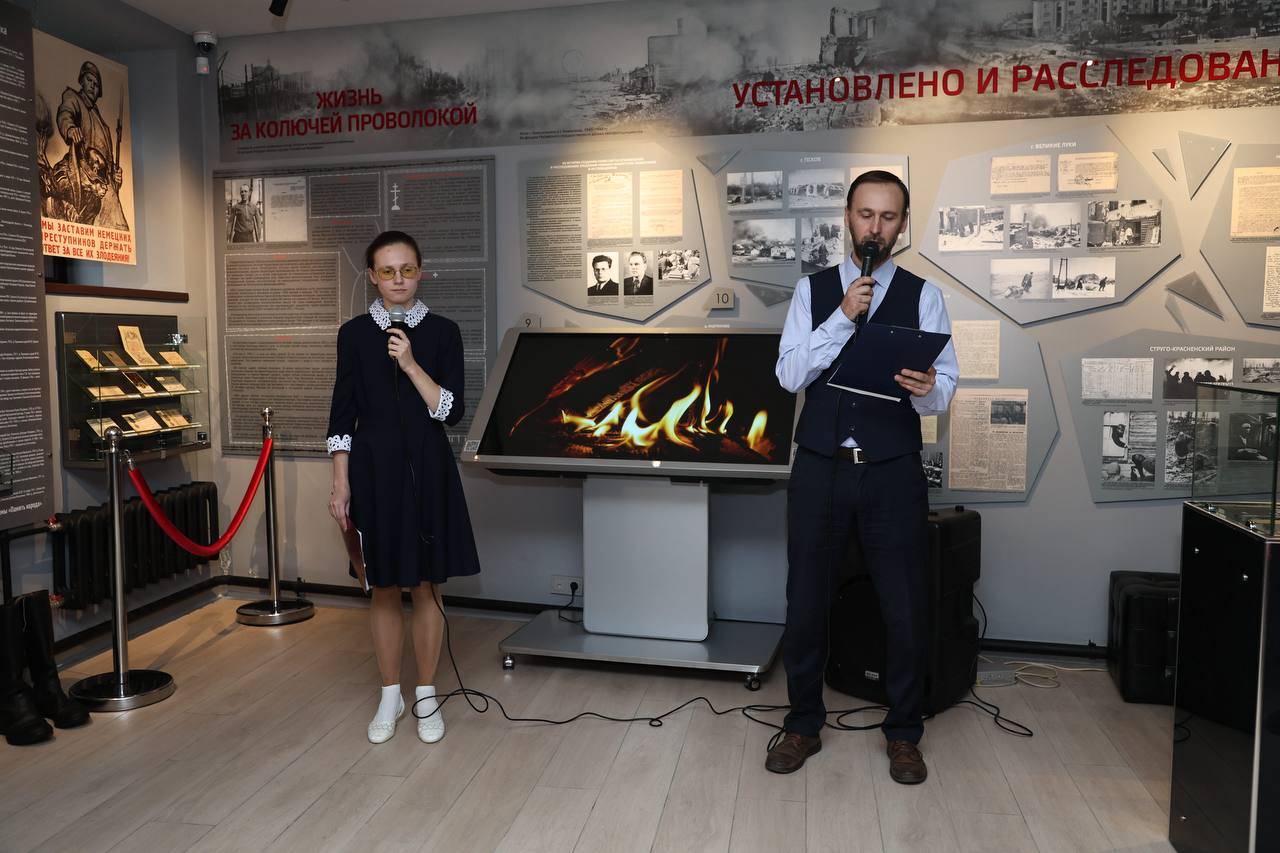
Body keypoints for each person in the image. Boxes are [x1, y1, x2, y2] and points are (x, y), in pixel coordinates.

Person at [770, 170, 958, 785]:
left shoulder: (925, 295)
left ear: (902, 225)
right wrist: (841, 317)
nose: (875, 227)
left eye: (888, 216)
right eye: (865, 214)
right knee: (805, 603)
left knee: (903, 605)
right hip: (820, 468)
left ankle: (903, 734)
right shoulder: (813, 291)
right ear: (847, 218)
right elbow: (789, 376)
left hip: (891, 472)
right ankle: (803, 724)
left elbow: (945, 387)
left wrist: (928, 389)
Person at [327, 230, 481, 745]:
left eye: (407, 270)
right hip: (373, 472)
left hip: (428, 469)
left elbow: (450, 411)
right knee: (384, 586)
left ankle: (426, 693)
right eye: (388, 271)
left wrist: (411, 363)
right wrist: (340, 484)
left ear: (421, 272)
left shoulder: (443, 332)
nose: (398, 280)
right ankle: (390, 693)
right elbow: (342, 417)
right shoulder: (353, 335)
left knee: (426, 585)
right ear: (372, 276)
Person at [55, 61, 127, 230]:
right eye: (89, 80)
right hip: (84, 173)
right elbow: (65, 114)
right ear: (82, 81)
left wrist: (115, 176)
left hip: (104, 183)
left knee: (117, 227)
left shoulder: (104, 126)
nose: (93, 86)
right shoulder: (73, 98)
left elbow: (108, 163)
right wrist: (70, 129)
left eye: (96, 84)